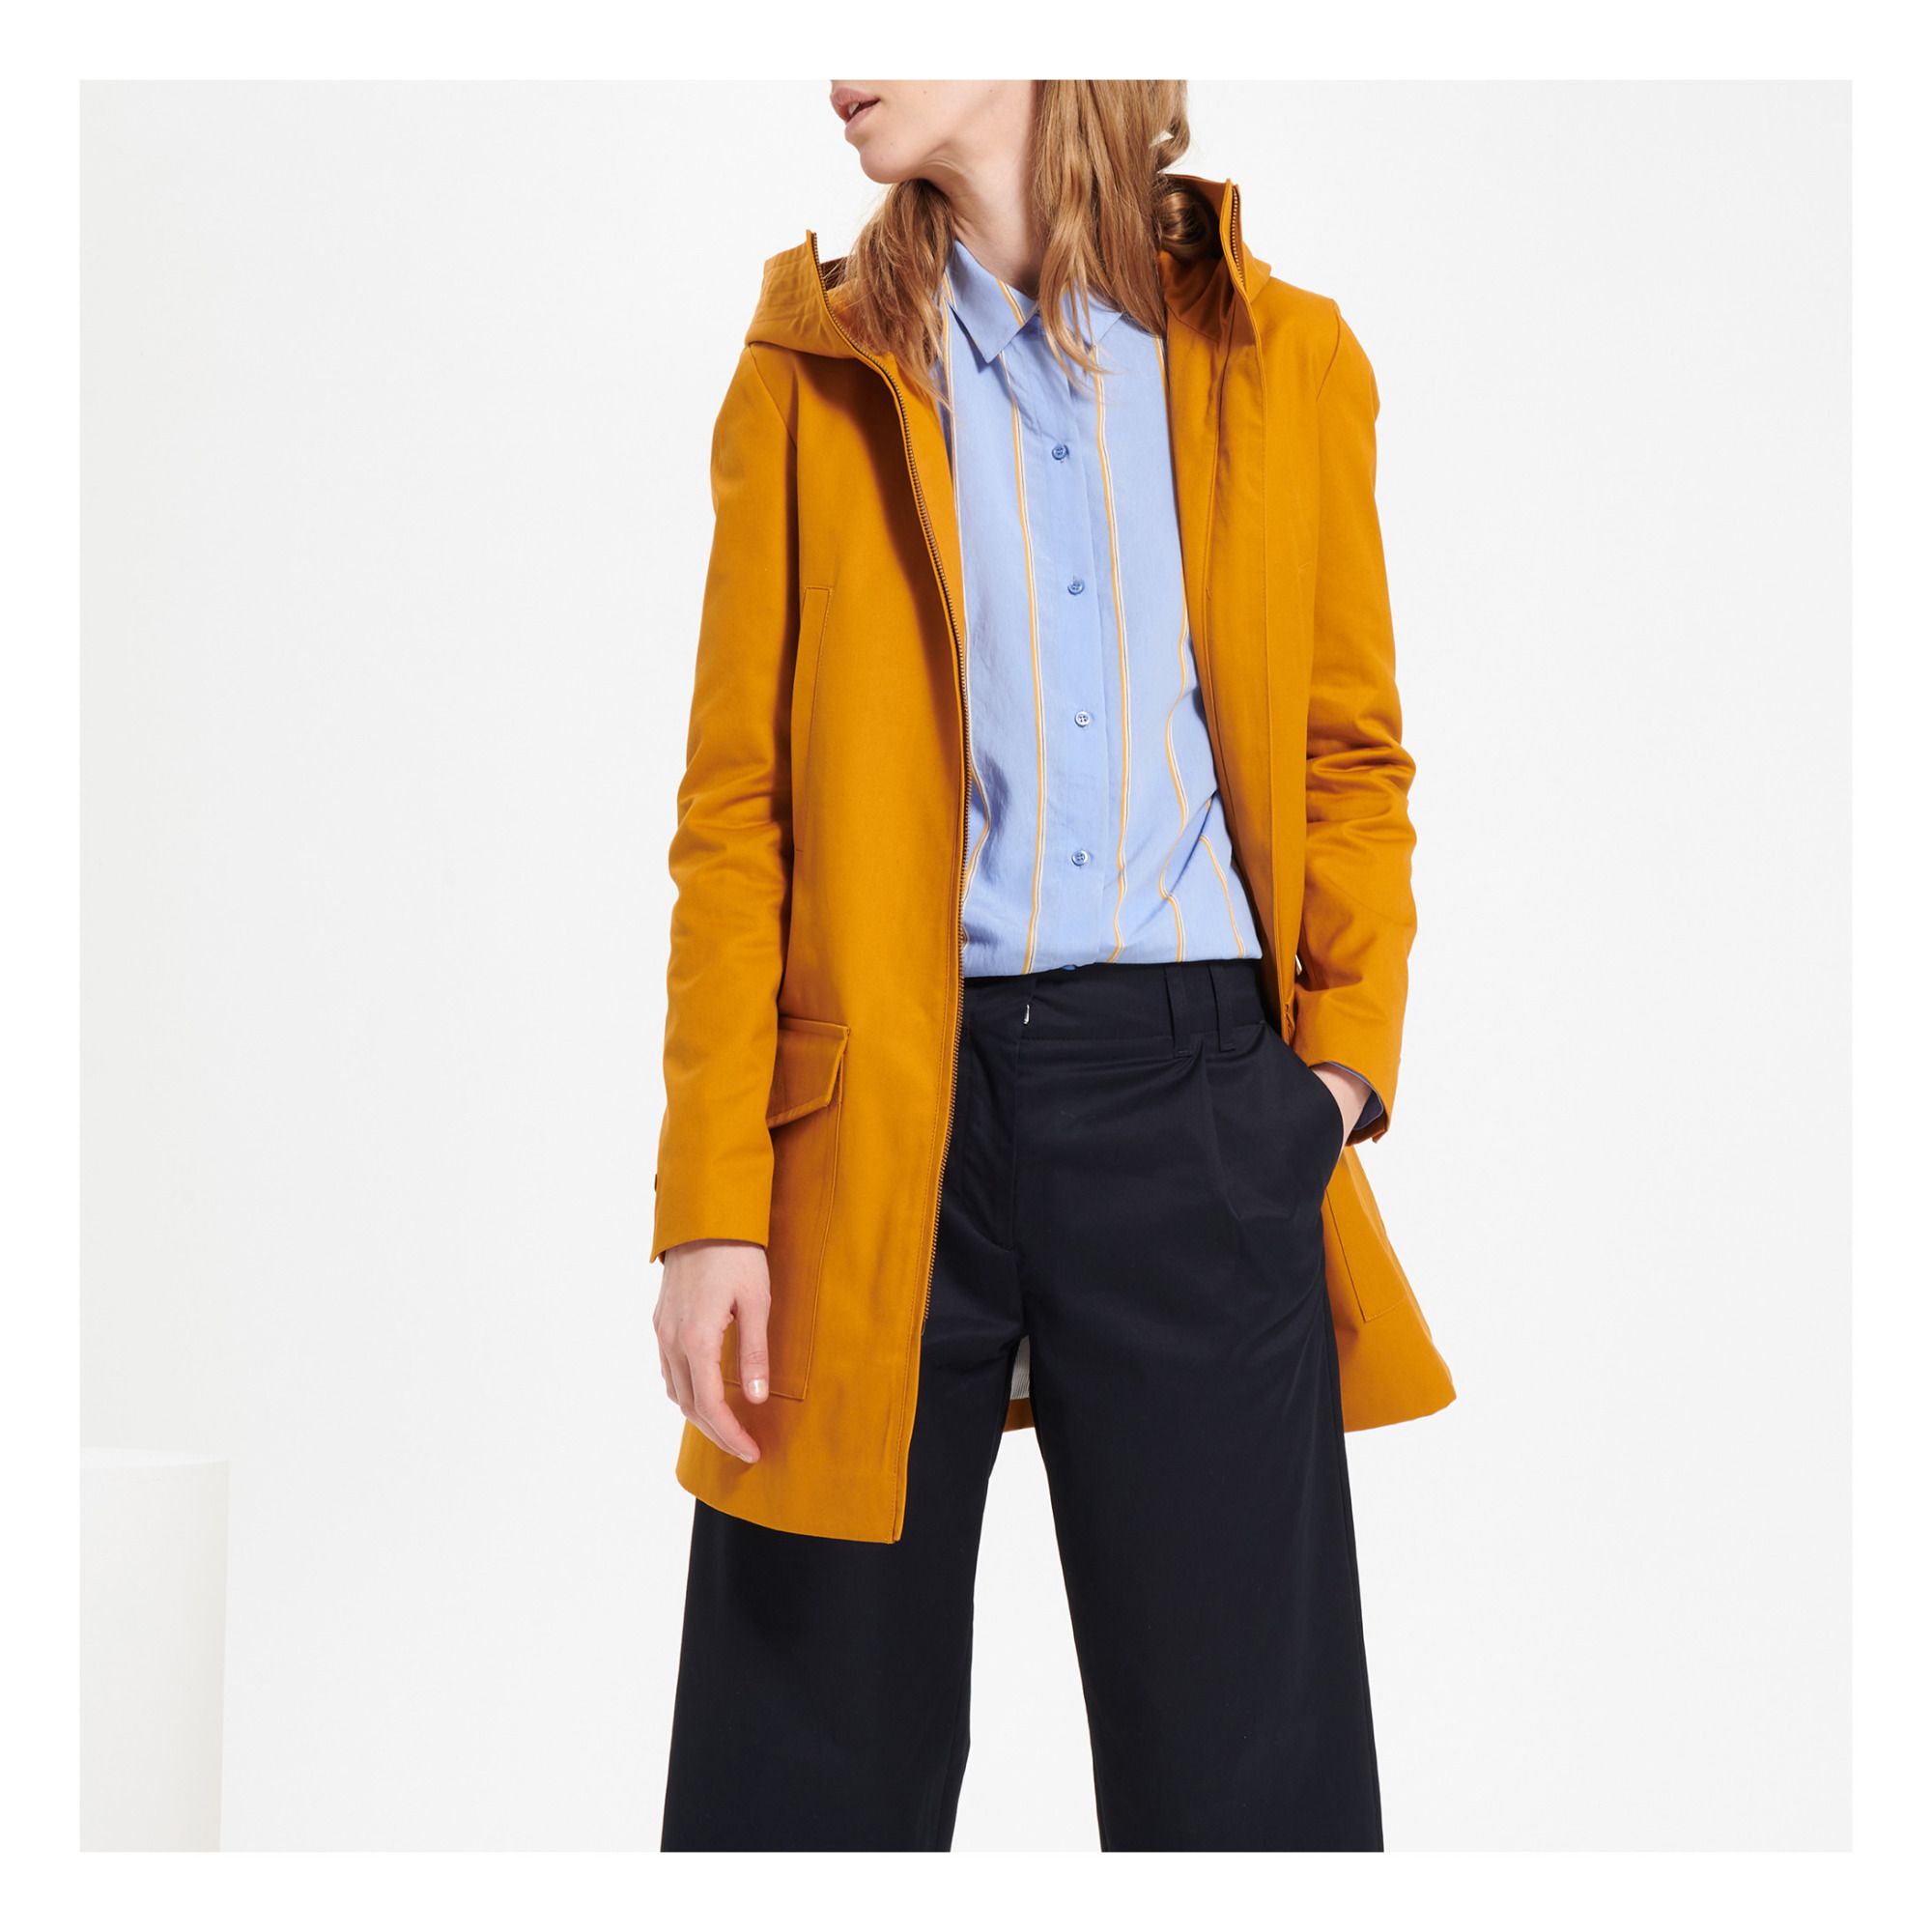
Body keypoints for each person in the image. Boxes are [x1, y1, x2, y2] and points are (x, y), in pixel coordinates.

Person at [650, 78, 1454, 1853]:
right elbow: (737, 811)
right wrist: (710, 1204)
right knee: (791, 1798)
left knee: (1248, 1807)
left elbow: (1350, 761)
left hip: (1197, 1107)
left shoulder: (1288, 362)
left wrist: (1329, 1085)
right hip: (873, 1119)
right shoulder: (809, 374)